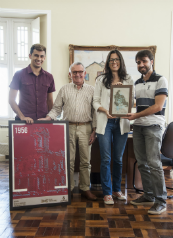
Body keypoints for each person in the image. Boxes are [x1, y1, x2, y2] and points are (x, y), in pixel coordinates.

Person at [39, 62, 97, 201]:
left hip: (86, 127)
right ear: (70, 74)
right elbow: (56, 109)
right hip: (68, 127)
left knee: (85, 162)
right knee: (68, 161)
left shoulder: (92, 90)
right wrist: (47, 118)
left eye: (80, 72)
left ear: (84, 73)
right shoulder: (64, 89)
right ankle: (68, 189)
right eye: (74, 72)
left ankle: (85, 189)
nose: (77, 74)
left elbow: (95, 112)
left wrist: (94, 130)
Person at [123, 50, 168, 214]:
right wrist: (120, 93)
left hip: (153, 126)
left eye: (144, 61)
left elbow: (158, 106)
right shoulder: (136, 83)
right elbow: (132, 103)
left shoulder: (160, 80)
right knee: (142, 162)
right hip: (139, 126)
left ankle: (161, 201)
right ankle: (149, 195)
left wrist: (136, 115)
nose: (141, 65)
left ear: (151, 61)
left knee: (154, 164)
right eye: (138, 62)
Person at [93, 49, 134, 205]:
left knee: (117, 159)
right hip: (105, 123)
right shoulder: (101, 79)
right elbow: (95, 101)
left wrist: (121, 90)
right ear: (108, 63)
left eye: (116, 59)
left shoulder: (128, 79)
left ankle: (117, 190)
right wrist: (104, 110)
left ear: (120, 61)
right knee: (106, 159)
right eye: (111, 60)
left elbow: (130, 101)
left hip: (121, 123)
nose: (114, 62)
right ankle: (107, 192)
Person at [9, 44, 55, 123]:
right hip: (23, 122)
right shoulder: (19, 74)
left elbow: (50, 101)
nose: (39, 59)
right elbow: (11, 99)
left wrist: (50, 118)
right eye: (36, 55)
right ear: (30, 56)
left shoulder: (49, 77)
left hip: (43, 122)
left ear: (44, 58)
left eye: (41, 56)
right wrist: (22, 117)